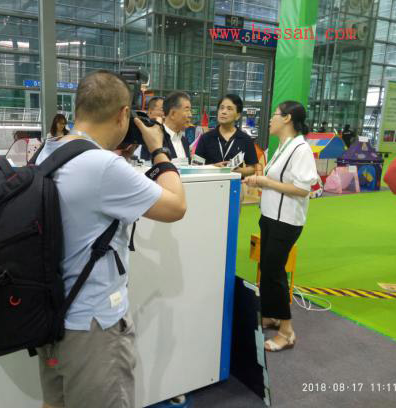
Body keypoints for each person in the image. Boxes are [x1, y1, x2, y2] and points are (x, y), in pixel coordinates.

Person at [34, 70, 186, 408]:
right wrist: (158, 148)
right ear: (123, 114)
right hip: (93, 324)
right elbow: (176, 206)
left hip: (51, 315)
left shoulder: (49, 151)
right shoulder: (102, 166)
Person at [244, 101, 317, 352]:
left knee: (275, 272)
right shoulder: (283, 146)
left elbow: (302, 189)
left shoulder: (301, 149)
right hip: (270, 217)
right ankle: (272, 315)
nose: (270, 119)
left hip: (285, 221)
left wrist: (266, 182)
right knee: (266, 268)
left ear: (287, 119)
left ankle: (287, 331)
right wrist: (259, 180)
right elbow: (276, 179)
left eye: (275, 114)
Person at [194, 94, 258, 176]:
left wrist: (238, 171)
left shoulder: (245, 139)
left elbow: (252, 169)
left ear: (238, 116)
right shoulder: (206, 138)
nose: (223, 112)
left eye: (229, 109)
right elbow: (195, 166)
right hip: (210, 182)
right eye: (221, 108)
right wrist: (213, 167)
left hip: (234, 183)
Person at [140, 91, 192, 163]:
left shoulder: (185, 141)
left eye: (190, 110)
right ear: (173, 114)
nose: (190, 115)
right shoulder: (153, 139)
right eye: (187, 110)